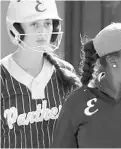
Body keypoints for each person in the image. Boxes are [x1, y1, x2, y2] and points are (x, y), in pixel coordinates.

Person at [1, 0, 81, 148]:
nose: (43, 31)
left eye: (47, 23)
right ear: (16, 28)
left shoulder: (65, 71)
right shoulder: (2, 77)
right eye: (34, 24)